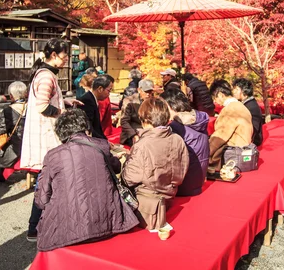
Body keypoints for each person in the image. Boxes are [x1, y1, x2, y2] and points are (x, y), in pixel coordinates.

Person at [35, 109, 138, 251]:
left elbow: (41, 199)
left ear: (61, 133)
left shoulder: (52, 156)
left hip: (66, 229)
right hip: (109, 222)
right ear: (85, 127)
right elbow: (117, 167)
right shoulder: (101, 145)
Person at [21, 38, 76, 242]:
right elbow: (43, 107)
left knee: (48, 181)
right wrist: (64, 112)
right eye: (64, 56)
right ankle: (34, 226)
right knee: (48, 182)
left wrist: (66, 102)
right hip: (45, 135)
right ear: (54, 55)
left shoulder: (45, 74)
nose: (66, 60)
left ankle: (37, 225)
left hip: (45, 134)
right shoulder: (46, 76)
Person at [121, 98, 189, 230]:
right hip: (170, 194)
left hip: (148, 204)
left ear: (145, 120)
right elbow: (183, 168)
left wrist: (125, 163)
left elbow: (128, 179)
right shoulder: (177, 139)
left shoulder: (143, 145)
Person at [160, 89, 210, 196]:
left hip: (183, 186)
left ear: (171, 106)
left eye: (163, 107)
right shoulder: (197, 118)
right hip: (198, 180)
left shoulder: (176, 127)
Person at [208, 80, 253, 172]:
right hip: (242, 151)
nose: (214, 101)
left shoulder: (230, 110)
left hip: (231, 155)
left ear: (220, 95)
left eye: (214, 97)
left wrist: (205, 151)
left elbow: (220, 137)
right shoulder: (241, 106)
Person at [78, 74, 114, 140]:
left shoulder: (92, 99)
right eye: (109, 90)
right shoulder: (87, 101)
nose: (109, 94)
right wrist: (103, 141)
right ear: (100, 89)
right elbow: (89, 127)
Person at [120, 79, 154, 147]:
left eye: (150, 92)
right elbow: (124, 121)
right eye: (146, 91)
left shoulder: (154, 101)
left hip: (149, 131)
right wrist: (133, 135)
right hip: (133, 132)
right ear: (139, 90)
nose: (148, 94)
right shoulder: (129, 101)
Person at [232, 78, 264, 147]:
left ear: (244, 91)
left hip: (252, 142)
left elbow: (253, 130)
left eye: (236, 89)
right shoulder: (246, 104)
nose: (234, 92)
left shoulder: (251, 107)